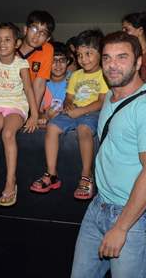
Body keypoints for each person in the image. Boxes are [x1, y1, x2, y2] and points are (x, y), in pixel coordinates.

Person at [71, 31, 146, 278]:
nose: (112, 65)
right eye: (107, 58)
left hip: (136, 217)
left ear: (138, 62)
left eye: (121, 57)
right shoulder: (109, 95)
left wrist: (121, 227)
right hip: (99, 207)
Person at [30, 29, 108, 199]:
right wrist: (69, 106)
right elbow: (69, 97)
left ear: (100, 53)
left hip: (92, 112)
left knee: (83, 129)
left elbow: (101, 102)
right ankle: (51, 174)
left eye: (88, 54)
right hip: (73, 111)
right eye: (80, 55)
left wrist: (80, 111)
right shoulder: (75, 75)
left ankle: (86, 176)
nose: (83, 59)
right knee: (52, 127)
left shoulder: (104, 74)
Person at [0, 22, 38, 210]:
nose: (2, 44)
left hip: (17, 105)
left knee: (8, 134)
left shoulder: (21, 64)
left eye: (7, 40)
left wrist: (33, 115)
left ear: (17, 43)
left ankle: (11, 181)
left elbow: (28, 89)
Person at [38, 41, 71, 125]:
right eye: (53, 60)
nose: (58, 64)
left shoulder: (74, 79)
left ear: (67, 61)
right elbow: (37, 111)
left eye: (62, 60)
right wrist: (43, 115)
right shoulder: (41, 82)